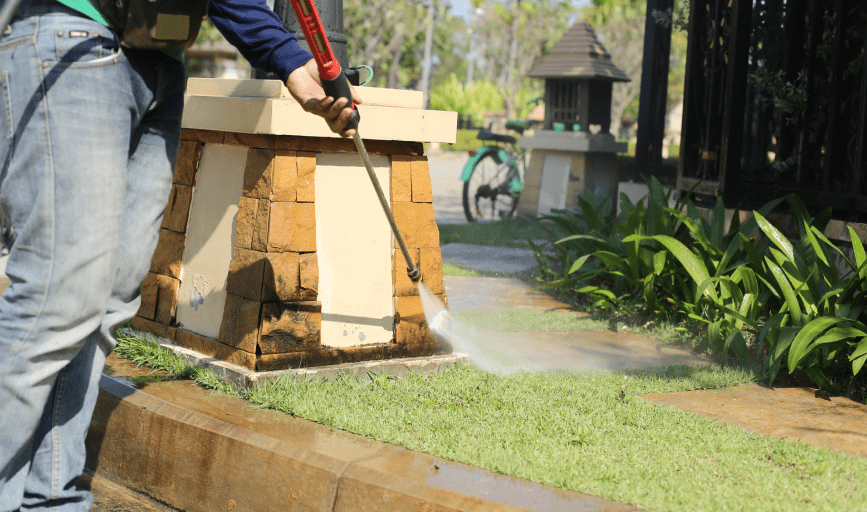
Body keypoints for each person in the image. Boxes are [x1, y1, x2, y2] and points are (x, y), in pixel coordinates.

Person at [0, 1, 358, 510]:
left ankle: (52, 498)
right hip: (71, 32)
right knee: (57, 301)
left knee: (110, 302)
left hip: (159, 60)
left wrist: (292, 61)